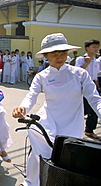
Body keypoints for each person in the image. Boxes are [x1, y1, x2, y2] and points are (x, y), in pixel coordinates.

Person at [12, 33, 101, 186]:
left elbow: (94, 98)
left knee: (66, 158)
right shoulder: (42, 76)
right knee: (38, 148)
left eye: (63, 52)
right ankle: (30, 183)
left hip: (72, 122)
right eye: (54, 53)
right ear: (46, 56)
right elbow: (31, 95)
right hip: (49, 120)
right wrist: (22, 108)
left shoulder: (79, 74)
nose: (59, 57)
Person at [75, 39, 100, 139]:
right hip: (82, 86)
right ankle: (73, 130)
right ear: (87, 48)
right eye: (94, 47)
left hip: (93, 86)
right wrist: (87, 62)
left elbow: (95, 75)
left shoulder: (96, 60)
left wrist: (97, 86)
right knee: (82, 110)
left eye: (97, 47)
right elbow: (78, 72)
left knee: (94, 110)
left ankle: (89, 130)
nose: (96, 49)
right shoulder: (81, 59)